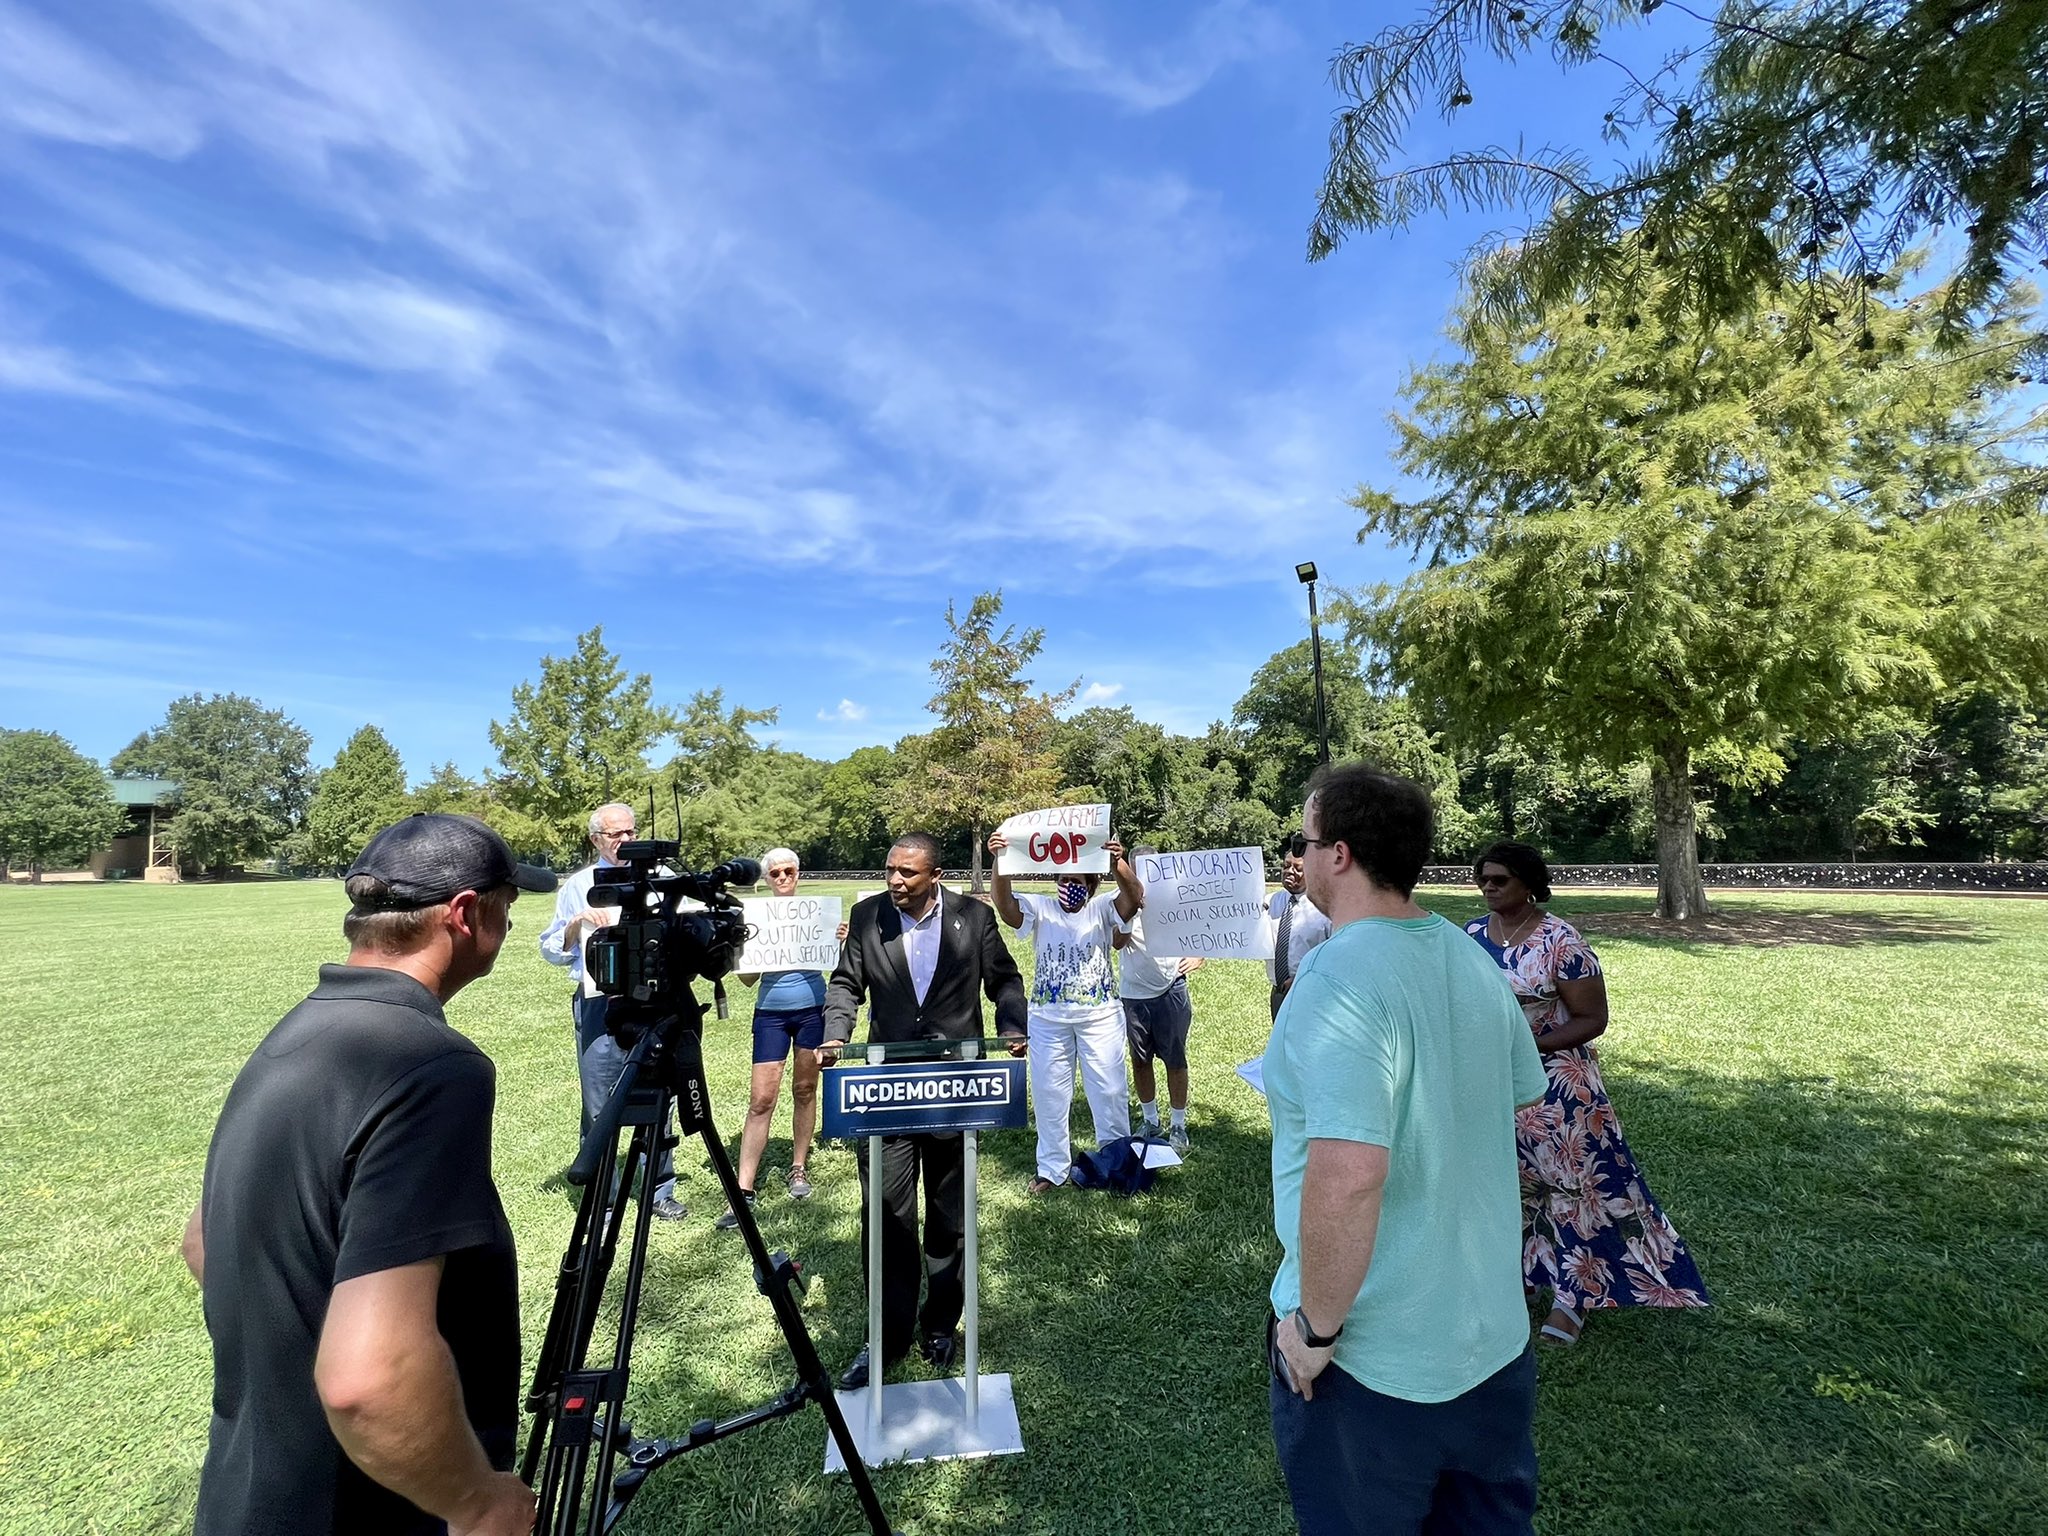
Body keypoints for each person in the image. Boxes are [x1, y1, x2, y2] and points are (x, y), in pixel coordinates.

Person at [182, 813, 554, 1536]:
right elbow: (367, 1378)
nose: (507, 929)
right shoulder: (434, 1066)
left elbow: (204, 1240)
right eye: (507, 908)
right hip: (363, 1507)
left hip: (247, 1493)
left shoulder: (298, 1032)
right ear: (465, 914)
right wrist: (478, 1502)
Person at [1266, 766, 1549, 1536]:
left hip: (1373, 1366)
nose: (1302, 854)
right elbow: (1520, 1091)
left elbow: (1350, 1175)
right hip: (1492, 1342)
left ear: (1341, 854)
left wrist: (1316, 1332)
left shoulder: (1337, 974)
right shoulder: (1470, 957)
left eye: (1306, 839)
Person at [1466, 841, 1710, 1346]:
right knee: (1506, 1188)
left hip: (1557, 1090)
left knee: (1570, 1189)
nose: (1488, 887)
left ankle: (1573, 1299)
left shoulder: (1562, 941)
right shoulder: (1469, 937)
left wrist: (1527, 1045)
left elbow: (1592, 1019)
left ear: (1529, 883)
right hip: (1489, 1087)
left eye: (1500, 879)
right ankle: (1519, 1279)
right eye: (1483, 879)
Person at [820, 832, 1026, 1389]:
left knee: (949, 1215)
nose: (895, 881)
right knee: (886, 1217)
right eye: (890, 870)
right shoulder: (867, 918)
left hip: (956, 1090)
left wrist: (1012, 1026)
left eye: (907, 873)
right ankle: (883, 1340)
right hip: (887, 1095)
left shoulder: (974, 918)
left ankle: (940, 1326)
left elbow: (1005, 980)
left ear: (935, 875)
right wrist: (835, 1036)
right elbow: (845, 986)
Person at [538, 801, 685, 1220]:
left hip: (656, 1001)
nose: (625, 841)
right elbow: (551, 950)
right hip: (600, 1003)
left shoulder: (664, 879)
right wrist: (574, 925)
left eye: (630, 833)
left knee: (660, 1097)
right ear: (595, 840)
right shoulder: (579, 885)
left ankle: (660, 1190)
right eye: (615, 834)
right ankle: (603, 1199)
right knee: (599, 1100)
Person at [988, 830, 1144, 1194]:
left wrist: (1116, 862)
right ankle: (1052, 1169)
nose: (1066, 885)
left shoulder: (1103, 907)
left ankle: (1115, 1163)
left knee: (1109, 1091)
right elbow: (1005, 904)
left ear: (1092, 883)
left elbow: (1134, 898)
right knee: (1048, 1093)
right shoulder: (1041, 908)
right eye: (1061, 878)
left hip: (1100, 1017)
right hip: (1047, 1019)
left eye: (1075, 879)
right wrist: (1001, 860)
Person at [716, 847, 849, 1229]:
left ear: (798, 873)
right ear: (767, 878)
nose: (783, 877)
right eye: (775, 873)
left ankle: (798, 1167)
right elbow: (746, 979)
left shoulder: (818, 914)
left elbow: (839, 966)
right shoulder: (754, 919)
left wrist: (842, 939)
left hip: (813, 1010)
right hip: (770, 1013)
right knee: (761, 1099)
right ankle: (743, 1188)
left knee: (805, 1089)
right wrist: (743, 950)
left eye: (789, 871)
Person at [1115, 844, 1203, 1153]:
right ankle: (1150, 1120)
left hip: (1171, 989)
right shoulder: (1119, 903)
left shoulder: (1175, 900)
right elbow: (1116, 941)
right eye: (1140, 870)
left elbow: (1204, 929)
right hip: (1133, 994)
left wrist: (1199, 956)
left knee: (1175, 1060)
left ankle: (1178, 1125)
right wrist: (1130, 907)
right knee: (1141, 1061)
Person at [1267, 832, 1333, 1022]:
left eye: (1298, 868)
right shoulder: (1271, 902)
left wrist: (1301, 978)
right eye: (1286, 866)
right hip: (1278, 992)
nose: (1289, 872)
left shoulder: (1324, 908)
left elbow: (1332, 954)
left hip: (1311, 991)